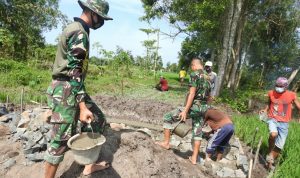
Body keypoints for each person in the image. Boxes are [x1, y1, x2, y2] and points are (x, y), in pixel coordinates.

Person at [44, 1, 113, 178]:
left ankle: (89, 166)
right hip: (66, 89)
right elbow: (75, 72)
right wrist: (82, 107)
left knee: (98, 120)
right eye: (100, 18)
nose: (101, 23)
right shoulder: (79, 32)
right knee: (60, 140)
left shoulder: (79, 29)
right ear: (92, 13)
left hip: (73, 87)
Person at [156, 57, 211, 165]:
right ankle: (194, 158)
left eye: (192, 67)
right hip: (203, 109)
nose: (192, 69)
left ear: (193, 65)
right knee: (197, 132)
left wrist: (185, 111)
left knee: (167, 117)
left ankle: (166, 143)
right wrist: (206, 110)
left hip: (194, 107)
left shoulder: (195, 75)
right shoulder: (208, 77)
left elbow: (192, 93)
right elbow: (210, 97)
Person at [259, 77, 300, 170]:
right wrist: (265, 110)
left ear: (286, 86)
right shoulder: (271, 93)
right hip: (272, 119)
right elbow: (269, 103)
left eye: (281, 86)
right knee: (273, 134)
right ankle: (270, 151)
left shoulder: (292, 95)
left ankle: (270, 158)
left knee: (279, 146)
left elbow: (299, 107)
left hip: (284, 123)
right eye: (277, 86)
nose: (278, 88)